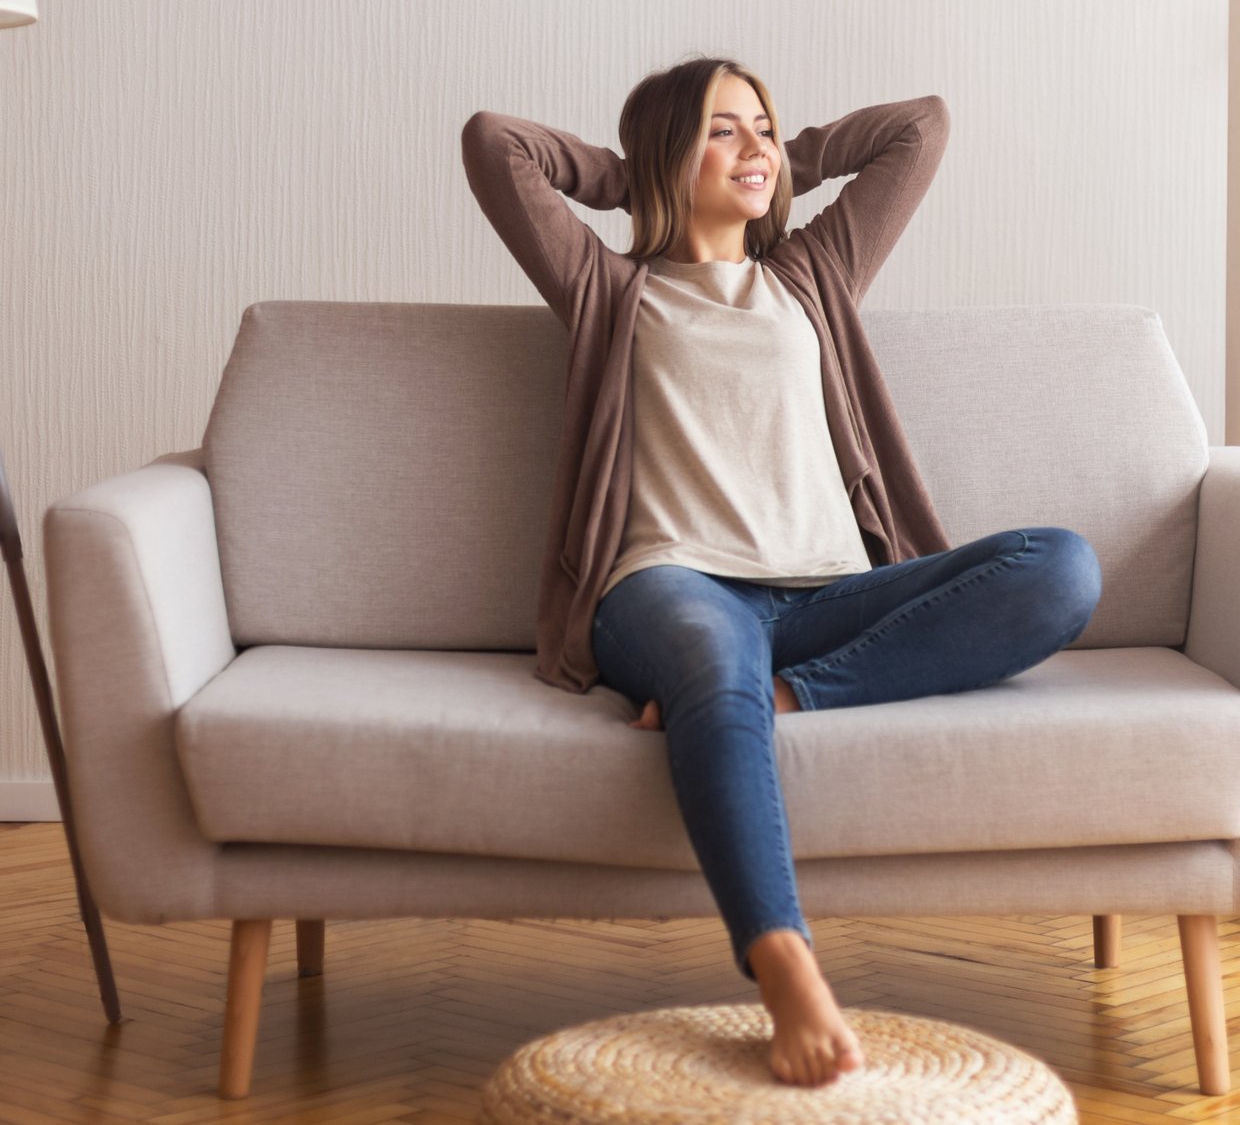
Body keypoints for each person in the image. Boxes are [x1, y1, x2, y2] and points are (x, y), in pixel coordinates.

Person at [460, 57, 1103, 1088]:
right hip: (670, 584)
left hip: (829, 597)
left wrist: (777, 157)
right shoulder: (609, 288)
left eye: (762, 125)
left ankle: (790, 694)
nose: (754, 146)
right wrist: (635, 172)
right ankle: (784, 962)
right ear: (669, 154)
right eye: (723, 130)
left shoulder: (812, 273)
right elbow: (496, 143)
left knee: (1060, 567)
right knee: (710, 654)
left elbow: (919, 128)